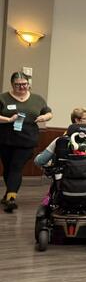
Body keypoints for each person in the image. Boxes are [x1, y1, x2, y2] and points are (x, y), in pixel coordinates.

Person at [0, 72, 53, 212]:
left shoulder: (37, 99)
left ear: (28, 84)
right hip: (5, 139)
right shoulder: (3, 98)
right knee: (8, 168)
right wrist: (8, 120)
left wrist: (44, 117)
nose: (22, 87)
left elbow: (49, 112)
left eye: (24, 84)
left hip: (27, 139)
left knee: (16, 166)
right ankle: (8, 193)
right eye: (18, 84)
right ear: (12, 85)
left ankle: (11, 198)